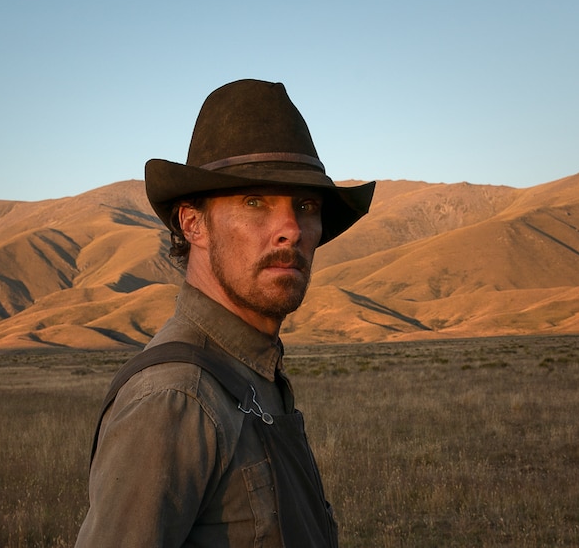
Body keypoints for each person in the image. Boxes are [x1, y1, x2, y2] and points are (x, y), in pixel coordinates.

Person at [76, 79, 375, 547]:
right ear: (193, 223)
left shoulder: (252, 374)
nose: (291, 230)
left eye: (306, 205)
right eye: (255, 202)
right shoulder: (176, 398)